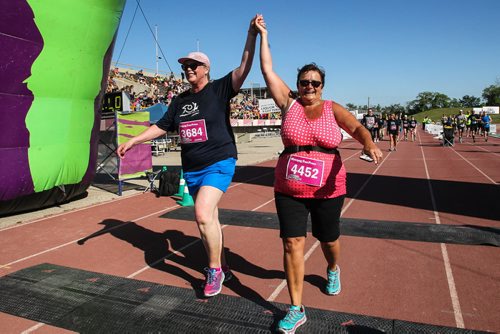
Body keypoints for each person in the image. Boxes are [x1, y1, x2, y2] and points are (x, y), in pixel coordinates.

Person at [117, 15, 261, 298]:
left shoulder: (219, 89)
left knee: (201, 214)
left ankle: (214, 271)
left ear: (206, 69)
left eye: (193, 65)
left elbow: (244, 66)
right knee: (211, 220)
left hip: (219, 162)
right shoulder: (180, 101)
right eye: (185, 66)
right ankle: (224, 266)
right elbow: (161, 127)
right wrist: (134, 139)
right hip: (192, 169)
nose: (188, 69)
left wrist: (251, 34)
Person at [255, 18, 383, 334]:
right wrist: (263, 36)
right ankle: (296, 308)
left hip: (328, 188)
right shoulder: (288, 103)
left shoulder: (332, 108)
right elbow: (267, 71)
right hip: (289, 187)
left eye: (314, 83)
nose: (308, 87)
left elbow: (357, 128)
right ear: (297, 85)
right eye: (303, 82)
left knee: (328, 239)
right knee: (291, 242)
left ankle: (332, 268)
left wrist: (368, 143)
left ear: (322, 86)